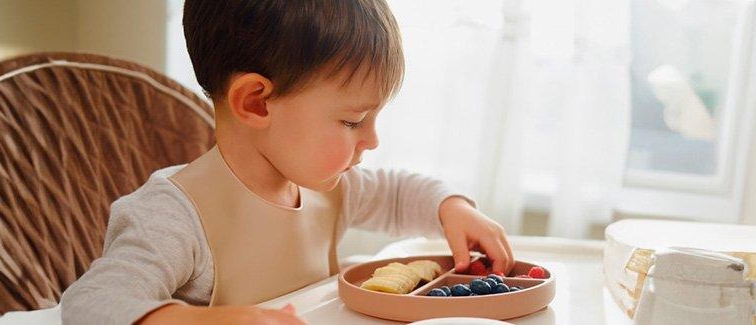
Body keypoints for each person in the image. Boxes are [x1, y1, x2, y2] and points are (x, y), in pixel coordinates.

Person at [60, 1, 513, 323]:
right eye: (353, 120)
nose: (372, 140)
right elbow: (93, 303)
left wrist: (451, 207)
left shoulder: (330, 187)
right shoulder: (175, 214)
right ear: (257, 102)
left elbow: (397, 192)